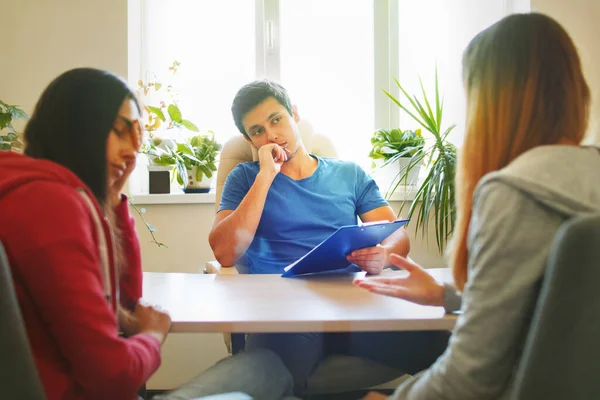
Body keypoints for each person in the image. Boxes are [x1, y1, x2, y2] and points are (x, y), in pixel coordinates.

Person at [0, 68, 295, 400]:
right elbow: (115, 375)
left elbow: (126, 304)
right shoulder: (53, 204)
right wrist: (154, 335)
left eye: (137, 136)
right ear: (79, 123)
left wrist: (111, 195)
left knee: (267, 368)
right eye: (120, 131)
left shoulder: (30, 187)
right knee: (268, 374)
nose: (132, 152)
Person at [355, 12, 600, 400]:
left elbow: (470, 377)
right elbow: (559, 311)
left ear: (490, 105)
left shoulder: (514, 192)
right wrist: (447, 294)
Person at [208, 79, 450, 394]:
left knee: (445, 344)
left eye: (276, 120)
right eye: (257, 131)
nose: (271, 136)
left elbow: (397, 233)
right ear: (248, 138)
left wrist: (385, 254)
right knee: (267, 380)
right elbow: (225, 252)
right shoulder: (245, 178)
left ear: (294, 114)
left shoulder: (349, 173)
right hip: (284, 315)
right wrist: (267, 175)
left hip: (353, 307)